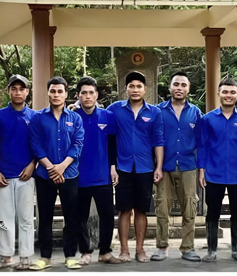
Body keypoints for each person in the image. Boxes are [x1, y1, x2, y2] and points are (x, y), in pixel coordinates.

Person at [107, 71, 164, 263]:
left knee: (141, 210)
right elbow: (108, 135)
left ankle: (140, 250)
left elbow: (158, 141)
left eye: (139, 86)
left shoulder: (154, 112)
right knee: (124, 210)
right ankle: (124, 250)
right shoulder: (115, 109)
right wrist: (112, 165)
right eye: (131, 86)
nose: (135, 89)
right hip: (123, 168)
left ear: (145, 89)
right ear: (126, 89)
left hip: (145, 168)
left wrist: (159, 167)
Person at [29, 76, 84, 270]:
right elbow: (35, 145)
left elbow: (78, 144)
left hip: (69, 174)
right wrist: (51, 167)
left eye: (60, 91)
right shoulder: (38, 118)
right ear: (48, 93)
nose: (56, 94)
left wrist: (62, 167)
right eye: (53, 91)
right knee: (45, 217)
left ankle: (70, 255)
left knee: (71, 217)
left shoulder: (75, 118)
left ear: (66, 94)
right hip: (45, 175)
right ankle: (45, 257)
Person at [198, 77, 237, 262]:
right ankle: (211, 251)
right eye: (225, 92)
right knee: (212, 212)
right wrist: (201, 170)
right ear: (219, 93)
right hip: (214, 173)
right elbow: (203, 145)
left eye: (232, 92)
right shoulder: (208, 119)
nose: (228, 95)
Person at [153, 71, 203, 262]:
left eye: (183, 85)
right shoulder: (159, 111)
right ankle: (162, 247)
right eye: (176, 84)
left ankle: (188, 247)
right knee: (162, 207)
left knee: (189, 207)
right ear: (170, 87)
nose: (179, 88)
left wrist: (201, 169)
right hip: (164, 166)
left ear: (188, 89)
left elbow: (202, 142)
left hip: (188, 165)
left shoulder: (195, 112)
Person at [73, 76, 122, 265]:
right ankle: (85, 252)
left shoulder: (107, 116)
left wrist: (113, 167)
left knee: (107, 215)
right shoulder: (72, 117)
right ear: (78, 95)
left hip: (103, 176)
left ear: (96, 95)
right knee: (80, 217)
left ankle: (105, 251)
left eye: (91, 93)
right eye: (84, 93)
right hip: (78, 176)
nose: (87, 96)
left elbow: (112, 144)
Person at [0, 74, 37, 269]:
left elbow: (38, 145)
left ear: (27, 92)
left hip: (26, 175)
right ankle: (6, 255)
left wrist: (33, 164)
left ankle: (25, 256)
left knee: (26, 218)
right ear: (8, 91)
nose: (18, 92)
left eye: (21, 89)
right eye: (14, 89)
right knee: (3, 218)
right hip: (4, 175)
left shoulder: (34, 117)